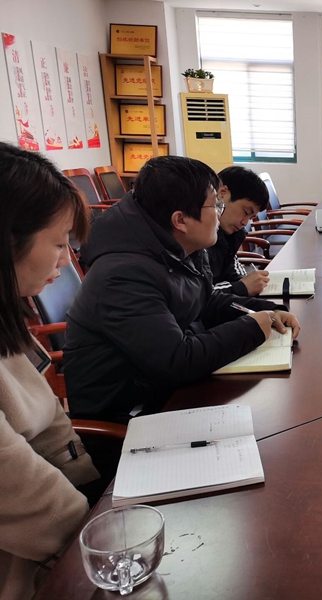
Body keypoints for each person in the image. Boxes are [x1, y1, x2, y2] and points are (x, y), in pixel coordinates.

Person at [63, 156, 300, 423]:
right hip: (132, 417)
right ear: (180, 220)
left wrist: (267, 311)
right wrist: (252, 327)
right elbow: (177, 360)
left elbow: (206, 300)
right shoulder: (123, 275)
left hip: (166, 391)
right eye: (215, 205)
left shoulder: (178, 246)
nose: (220, 212)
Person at [0, 142, 99, 600]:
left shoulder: (8, 317)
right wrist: (98, 537)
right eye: (59, 243)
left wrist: (95, 493)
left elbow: (52, 429)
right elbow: (16, 483)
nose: (66, 260)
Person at [208, 166, 271, 297]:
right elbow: (198, 295)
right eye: (246, 212)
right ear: (222, 193)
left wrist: (247, 284)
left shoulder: (229, 235)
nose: (245, 223)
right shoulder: (199, 236)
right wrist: (242, 287)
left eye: (251, 218)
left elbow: (234, 273)